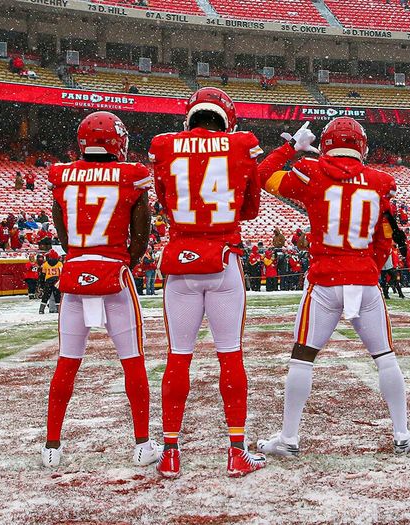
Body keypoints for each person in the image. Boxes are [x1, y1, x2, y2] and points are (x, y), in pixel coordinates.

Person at [255, 118, 410, 457]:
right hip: (363, 279)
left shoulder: (311, 172)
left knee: (303, 358)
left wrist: (291, 148)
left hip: (325, 279)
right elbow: (385, 237)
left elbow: (262, 177)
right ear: (362, 146)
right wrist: (366, 268)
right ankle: (402, 433)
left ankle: (289, 437)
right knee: (385, 357)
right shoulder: (379, 182)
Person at [150, 87, 265, 478]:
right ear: (226, 119)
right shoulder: (241, 145)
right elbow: (249, 209)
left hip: (180, 263)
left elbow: (165, 203)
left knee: (178, 357)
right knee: (230, 356)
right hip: (223, 261)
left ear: (191, 116)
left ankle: (170, 452)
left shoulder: (165, 146)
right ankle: (236, 452)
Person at [41, 111, 160, 469]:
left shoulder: (62, 176)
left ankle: (52, 446)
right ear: (118, 141)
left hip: (75, 275)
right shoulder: (132, 176)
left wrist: (83, 254)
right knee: (132, 361)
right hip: (114, 276)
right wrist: (126, 261)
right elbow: (141, 233)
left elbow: (62, 231)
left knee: (66, 363)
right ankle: (142, 443)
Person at [39, 250, 62, 314]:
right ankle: (58, 309)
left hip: (48, 280)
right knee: (57, 296)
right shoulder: (59, 263)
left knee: (46, 296)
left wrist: (41, 285)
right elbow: (62, 273)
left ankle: (41, 310)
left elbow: (42, 275)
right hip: (56, 281)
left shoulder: (45, 264)